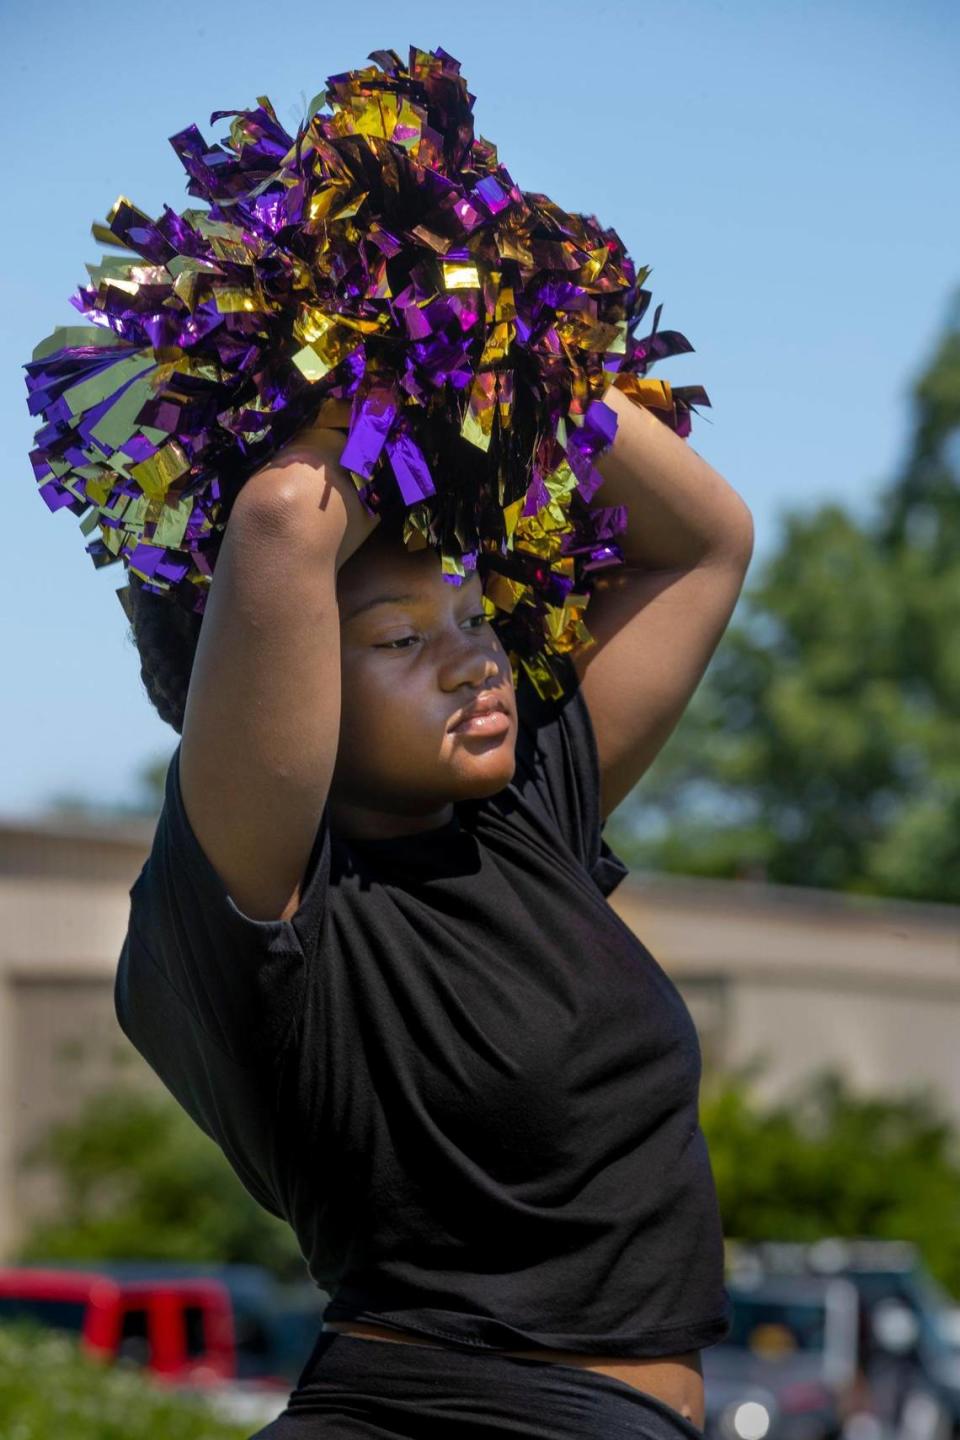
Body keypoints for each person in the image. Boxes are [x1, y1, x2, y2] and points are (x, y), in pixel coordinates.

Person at [116, 415, 750, 1438]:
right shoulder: (259, 909)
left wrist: (511, 342)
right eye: (402, 638)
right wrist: (396, 349)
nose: (471, 663)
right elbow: (282, 519)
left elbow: (705, 541)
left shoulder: (524, 820)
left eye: (471, 612)